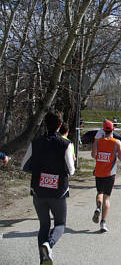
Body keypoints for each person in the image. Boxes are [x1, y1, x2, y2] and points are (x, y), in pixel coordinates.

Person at [21, 111, 75, 264]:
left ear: (45, 124)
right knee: (60, 223)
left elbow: (24, 165)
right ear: (60, 125)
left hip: (38, 190)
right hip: (58, 191)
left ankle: (42, 260)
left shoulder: (35, 142)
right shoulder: (66, 143)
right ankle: (49, 245)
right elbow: (71, 170)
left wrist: (39, 170)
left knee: (44, 226)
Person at [91, 120, 121, 232]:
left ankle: (98, 208)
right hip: (110, 174)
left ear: (103, 130)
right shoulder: (116, 142)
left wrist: (101, 157)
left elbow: (93, 155)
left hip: (99, 172)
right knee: (107, 198)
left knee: (99, 193)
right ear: (113, 129)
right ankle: (103, 223)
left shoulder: (98, 141)